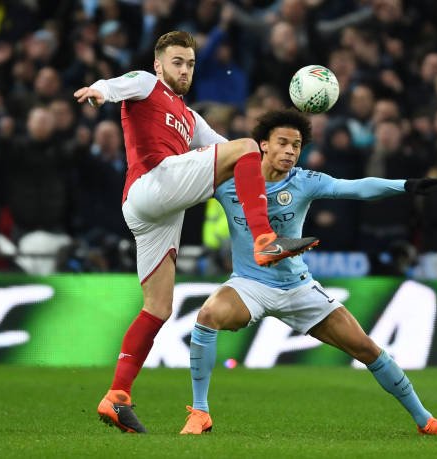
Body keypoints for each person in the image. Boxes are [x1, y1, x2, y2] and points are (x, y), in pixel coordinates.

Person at [73, 31, 318, 434]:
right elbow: (118, 85)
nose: (184, 70)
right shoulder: (147, 84)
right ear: (159, 64)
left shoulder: (189, 118)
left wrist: (275, 168)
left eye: (189, 63)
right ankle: (264, 240)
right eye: (177, 62)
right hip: (152, 182)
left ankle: (116, 396)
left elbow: (234, 155)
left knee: (158, 307)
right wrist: (99, 91)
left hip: (157, 211)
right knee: (246, 146)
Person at [179, 109, 437, 437]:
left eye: (296, 145)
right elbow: (181, 187)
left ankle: (425, 420)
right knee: (208, 316)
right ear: (263, 145)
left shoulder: (303, 181)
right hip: (249, 284)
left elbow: (356, 188)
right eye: (282, 143)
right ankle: (200, 412)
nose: (290, 151)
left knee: (366, 348)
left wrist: (405, 185)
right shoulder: (228, 182)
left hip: (298, 288)